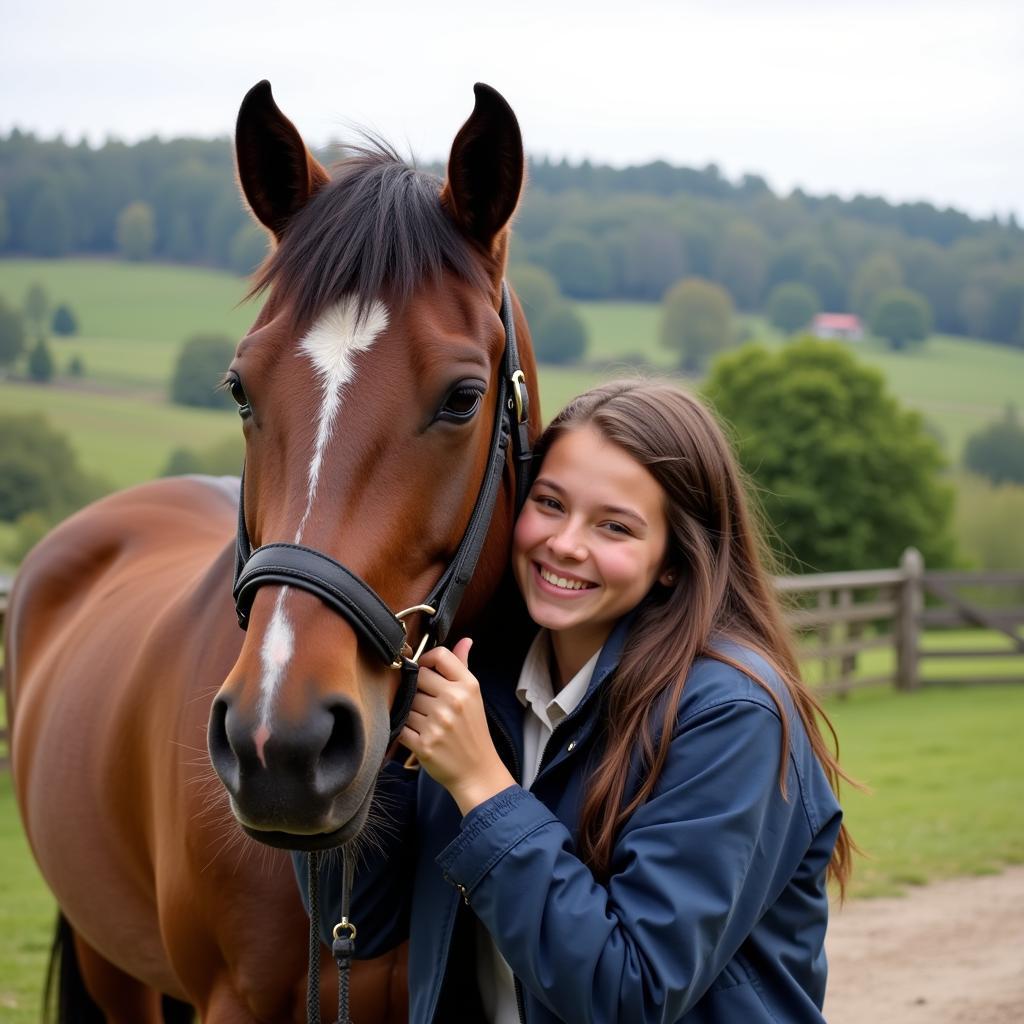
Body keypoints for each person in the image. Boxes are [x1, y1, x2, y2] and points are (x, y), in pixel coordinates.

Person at [298, 379, 854, 1023]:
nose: (565, 543)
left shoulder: (733, 716)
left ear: (672, 560)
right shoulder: (476, 680)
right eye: (550, 503)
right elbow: (360, 917)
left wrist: (481, 785)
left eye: (614, 526)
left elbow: (630, 995)